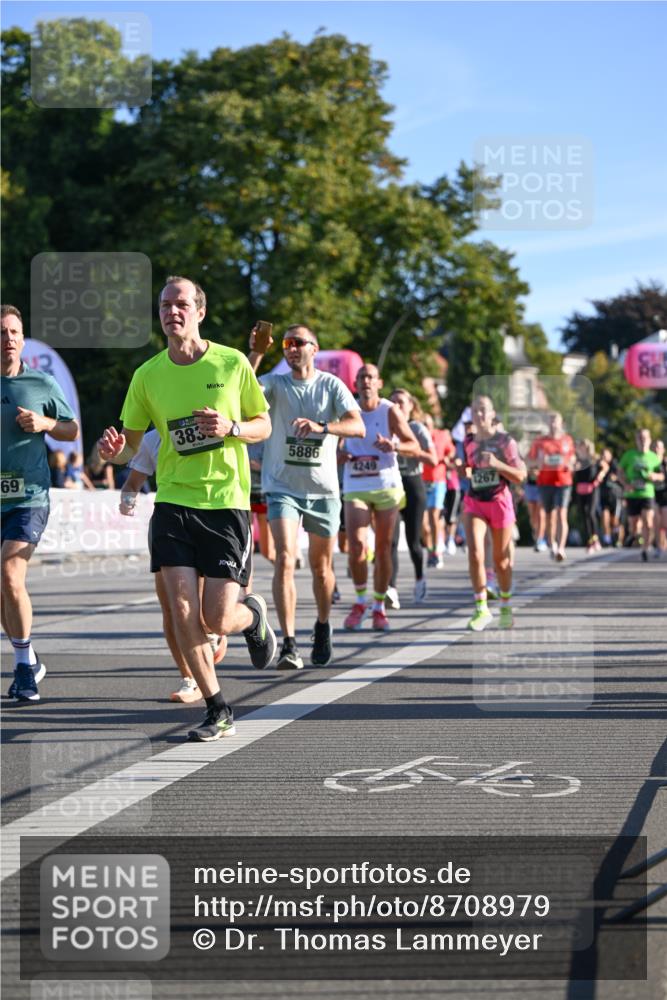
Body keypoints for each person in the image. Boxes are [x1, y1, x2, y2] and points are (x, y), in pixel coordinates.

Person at [97, 275, 276, 742]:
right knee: (181, 609)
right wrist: (113, 449)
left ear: (200, 311)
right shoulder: (148, 375)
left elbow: (264, 424)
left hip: (225, 503)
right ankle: (218, 708)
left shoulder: (232, 362)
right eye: (163, 305)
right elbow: (129, 447)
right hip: (174, 502)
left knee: (218, 619)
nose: (170, 312)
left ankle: (252, 617)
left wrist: (232, 427)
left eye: (180, 304)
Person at [248, 324, 364, 668]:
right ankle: (289, 643)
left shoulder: (331, 385)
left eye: (298, 343)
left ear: (314, 348)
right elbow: (240, 393)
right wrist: (257, 352)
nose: (292, 348)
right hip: (282, 486)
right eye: (286, 344)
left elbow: (357, 425)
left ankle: (323, 625)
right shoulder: (276, 384)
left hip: (323, 489)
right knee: (285, 558)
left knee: (321, 568)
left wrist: (323, 428)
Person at [1, 304, 79, 702]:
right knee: (4, 584)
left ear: (22, 337)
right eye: (2, 332)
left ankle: (21, 671)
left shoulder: (41, 383)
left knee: (11, 571)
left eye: (14, 332)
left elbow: (72, 430)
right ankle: (28, 657)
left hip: (28, 496)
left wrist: (45, 423)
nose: (9, 339)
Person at [117, 428, 227, 702]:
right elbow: (133, 482)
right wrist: (127, 499)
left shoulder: (209, 422)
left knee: (201, 609)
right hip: (168, 523)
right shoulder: (152, 438)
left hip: (210, 519)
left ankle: (214, 633)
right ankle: (189, 678)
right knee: (172, 607)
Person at [341, 364, 419, 632]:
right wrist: (340, 456)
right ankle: (361, 601)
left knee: (384, 549)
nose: (366, 381)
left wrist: (394, 445)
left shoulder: (389, 410)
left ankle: (378, 607)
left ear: (379, 383)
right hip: (356, 485)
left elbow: (413, 445)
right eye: (361, 377)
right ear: (355, 382)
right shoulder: (347, 409)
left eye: (370, 377)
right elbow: (332, 446)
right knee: (357, 547)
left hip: (386, 485)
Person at [462, 395, 526, 631]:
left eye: (483, 410)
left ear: (492, 415)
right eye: (475, 411)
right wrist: (464, 471)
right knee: (476, 554)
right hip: (474, 501)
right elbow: (469, 467)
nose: (478, 415)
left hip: (499, 501)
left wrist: (498, 465)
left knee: (501, 560)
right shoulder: (468, 441)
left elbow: (521, 475)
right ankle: (481, 609)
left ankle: (506, 606)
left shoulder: (504, 441)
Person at [388, 389, 436, 605]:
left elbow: (433, 460)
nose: (397, 406)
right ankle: (391, 588)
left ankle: (419, 578)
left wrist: (407, 450)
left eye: (401, 402)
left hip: (413, 484)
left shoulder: (417, 428)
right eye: (393, 402)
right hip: (391, 487)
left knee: (413, 541)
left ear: (411, 406)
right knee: (391, 541)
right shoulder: (385, 426)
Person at [529, 412, 576, 562]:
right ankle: (553, 544)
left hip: (564, 481)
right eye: (550, 422)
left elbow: (573, 458)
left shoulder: (567, 440)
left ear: (561, 423)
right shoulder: (540, 442)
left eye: (555, 421)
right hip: (545, 482)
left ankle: (561, 548)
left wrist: (570, 463)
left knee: (562, 513)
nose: (553, 424)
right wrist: (539, 462)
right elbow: (529, 460)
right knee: (549, 516)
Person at [618, 428, 663, 562]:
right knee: (633, 524)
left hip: (647, 493)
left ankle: (645, 549)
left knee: (648, 522)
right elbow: (620, 471)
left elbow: (662, 475)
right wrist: (625, 484)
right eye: (640, 438)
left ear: (649, 440)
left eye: (645, 438)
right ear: (636, 440)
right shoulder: (629, 455)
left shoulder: (654, 457)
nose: (642, 441)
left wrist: (655, 476)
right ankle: (634, 534)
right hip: (632, 494)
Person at [421, 415, 451, 568]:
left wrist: (448, 458)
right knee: (423, 524)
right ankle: (431, 549)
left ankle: (436, 553)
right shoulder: (418, 436)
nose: (425, 426)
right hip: (422, 481)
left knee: (434, 516)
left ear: (433, 424)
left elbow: (450, 451)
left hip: (438, 481)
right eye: (423, 424)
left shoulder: (442, 435)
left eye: (428, 424)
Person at [573, 440, 608, 554]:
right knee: (584, 514)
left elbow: (605, 467)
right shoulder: (577, 460)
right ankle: (590, 540)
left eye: (583, 447)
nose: (581, 449)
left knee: (591, 512)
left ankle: (595, 538)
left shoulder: (594, 459)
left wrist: (600, 476)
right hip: (580, 489)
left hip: (592, 489)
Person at [597, 446, 623, 546]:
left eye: (605, 454)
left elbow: (620, 477)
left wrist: (615, 477)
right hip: (603, 496)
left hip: (615, 497)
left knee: (615, 520)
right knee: (604, 517)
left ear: (610, 455)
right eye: (602, 454)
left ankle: (617, 537)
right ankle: (607, 539)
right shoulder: (599, 466)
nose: (603, 456)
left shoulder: (615, 465)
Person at [652, 440, 667, 556]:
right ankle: (658, 546)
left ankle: (663, 543)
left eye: (659, 447)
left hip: (665, 495)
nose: (657, 449)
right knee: (656, 521)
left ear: (663, 450)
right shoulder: (649, 462)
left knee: (665, 522)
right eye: (655, 447)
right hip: (653, 495)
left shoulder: (665, 462)